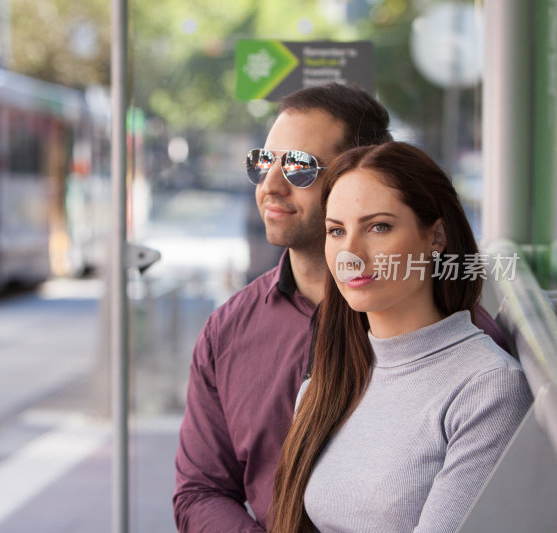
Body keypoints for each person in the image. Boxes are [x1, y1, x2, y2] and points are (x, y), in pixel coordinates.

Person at [172, 84, 509, 532]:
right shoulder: (229, 330)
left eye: (299, 167)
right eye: (263, 161)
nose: (271, 185)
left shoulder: (470, 360)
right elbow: (200, 491)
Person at [271, 142, 532, 532]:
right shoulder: (324, 384)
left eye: (378, 227)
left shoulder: (488, 388)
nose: (351, 254)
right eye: (336, 231)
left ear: (436, 237)